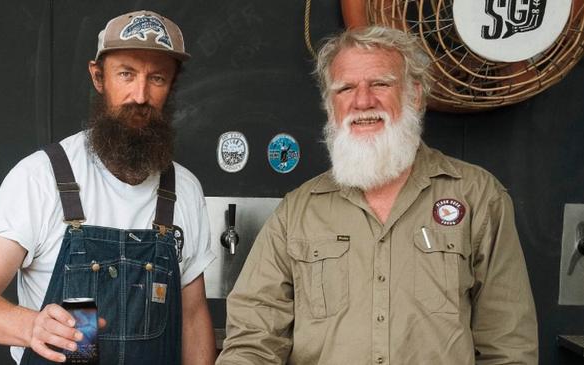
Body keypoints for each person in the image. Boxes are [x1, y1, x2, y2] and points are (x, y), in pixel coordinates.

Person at [217, 26, 538, 364]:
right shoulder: (297, 212)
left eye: (381, 84)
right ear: (331, 106)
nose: (363, 101)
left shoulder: (478, 196)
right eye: (346, 88)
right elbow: (253, 341)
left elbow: (508, 344)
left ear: (414, 94)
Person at [0, 10, 216, 365]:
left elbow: (193, 315)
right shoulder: (41, 178)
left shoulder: (184, 188)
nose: (140, 95)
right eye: (126, 74)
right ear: (98, 77)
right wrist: (32, 326)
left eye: (156, 78)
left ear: (171, 86)